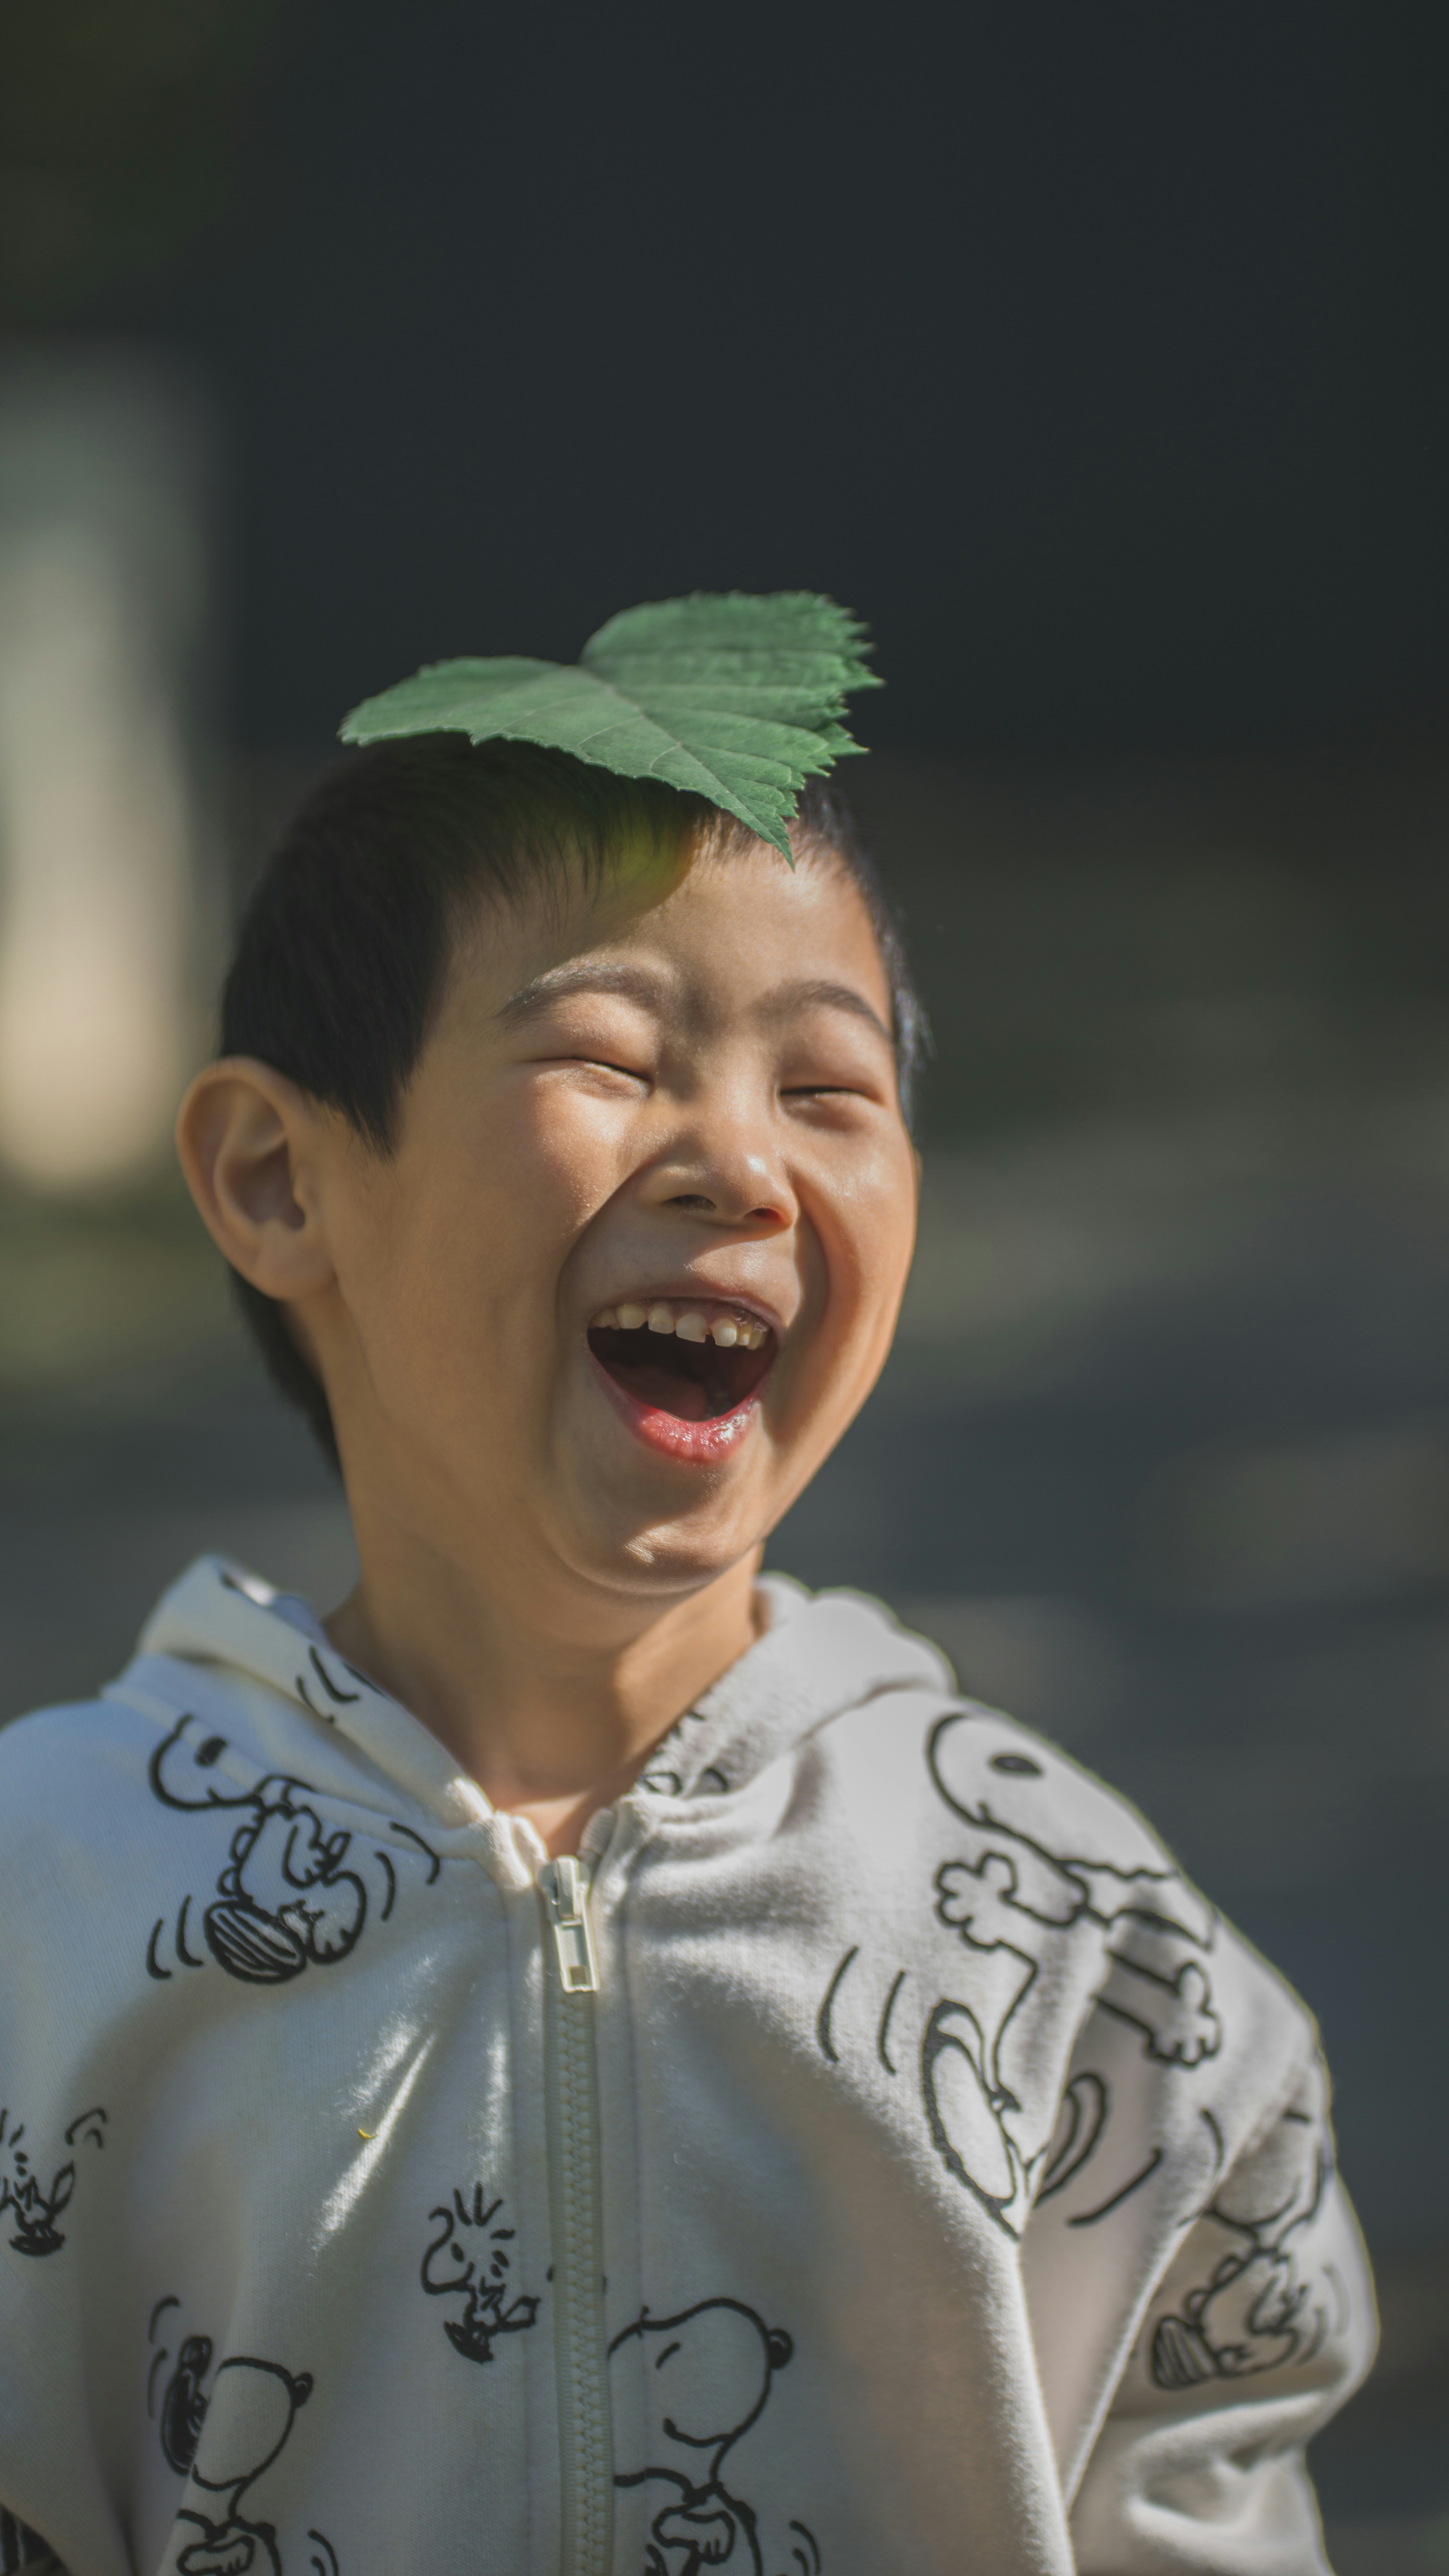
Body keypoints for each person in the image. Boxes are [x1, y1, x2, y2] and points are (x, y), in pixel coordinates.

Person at [0, 599, 1373, 2576]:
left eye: (827, 1092)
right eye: (608, 1055)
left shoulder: (1088, 1945)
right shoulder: (48, 1917)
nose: (738, 1160)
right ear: (281, 1179)